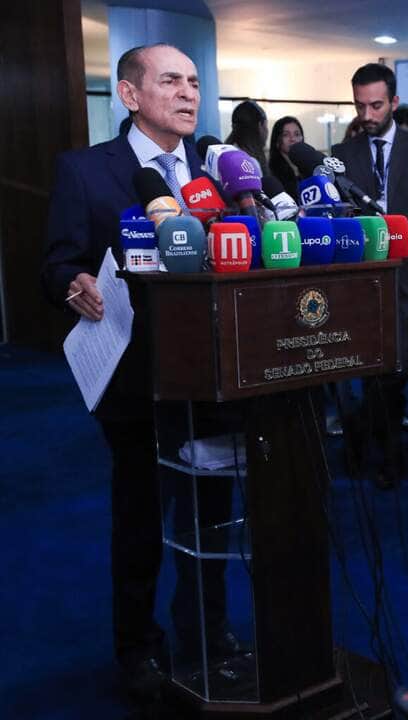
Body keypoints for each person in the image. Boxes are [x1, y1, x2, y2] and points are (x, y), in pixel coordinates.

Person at [41, 43, 237, 701]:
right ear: (129, 95)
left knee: (212, 517)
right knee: (141, 520)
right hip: (136, 380)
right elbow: (56, 261)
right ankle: (138, 649)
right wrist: (70, 281)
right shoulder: (85, 171)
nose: (188, 93)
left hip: (217, 376)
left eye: (193, 82)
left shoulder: (216, 171)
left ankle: (208, 630)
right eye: (170, 81)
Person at [331, 63, 408, 489]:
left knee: (399, 370)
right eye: (360, 105)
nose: (367, 114)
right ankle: (388, 457)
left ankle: (362, 436)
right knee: (372, 372)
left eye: (376, 105)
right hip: (362, 282)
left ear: (394, 102)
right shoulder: (342, 155)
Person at [224, 99, 268, 172]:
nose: (267, 130)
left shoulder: (225, 154)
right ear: (260, 125)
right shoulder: (251, 164)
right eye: (266, 125)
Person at [267, 115, 305, 199]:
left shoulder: (308, 167)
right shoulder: (271, 172)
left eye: (297, 134)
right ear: (277, 141)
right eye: (286, 135)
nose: (292, 139)